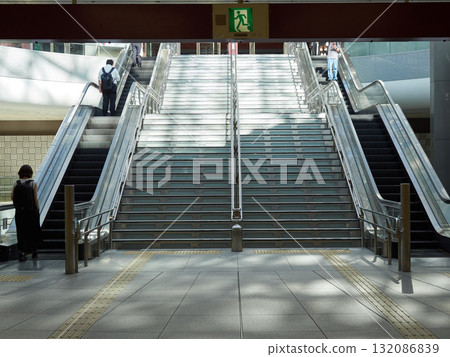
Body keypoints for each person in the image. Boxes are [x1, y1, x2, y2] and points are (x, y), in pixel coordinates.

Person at [11, 165, 41, 262]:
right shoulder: (33, 183)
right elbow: (35, 199)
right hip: (31, 212)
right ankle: (34, 251)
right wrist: (37, 209)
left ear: (20, 172)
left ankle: (22, 253)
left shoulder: (16, 183)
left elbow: (12, 197)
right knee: (32, 231)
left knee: (21, 232)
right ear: (30, 173)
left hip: (20, 212)